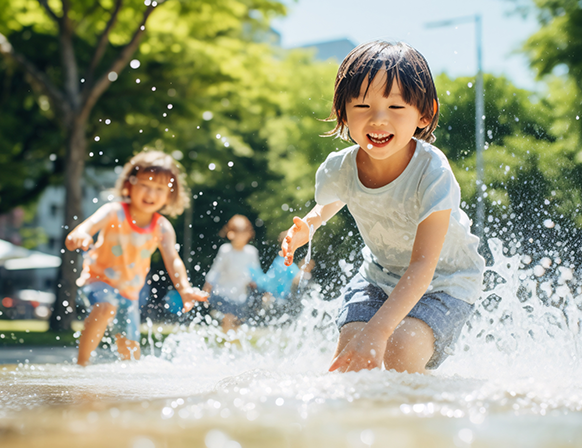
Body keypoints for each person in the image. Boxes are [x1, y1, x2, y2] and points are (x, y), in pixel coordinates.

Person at [282, 41, 485, 374]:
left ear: (425, 113)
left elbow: (423, 267)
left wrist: (380, 329)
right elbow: (334, 199)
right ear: (342, 111)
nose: (377, 120)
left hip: (444, 283)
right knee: (353, 352)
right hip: (378, 277)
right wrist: (311, 223)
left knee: (399, 351)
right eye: (362, 105)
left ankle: (423, 415)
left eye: (395, 107)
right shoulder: (340, 167)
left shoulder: (432, 173)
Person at [66, 151, 208, 366]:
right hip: (98, 279)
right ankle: (82, 366)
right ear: (129, 184)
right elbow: (85, 228)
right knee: (105, 308)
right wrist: (81, 234)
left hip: (130, 292)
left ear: (170, 194)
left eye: (159, 189)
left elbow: (173, 259)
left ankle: (127, 383)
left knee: (131, 351)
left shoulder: (162, 227)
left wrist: (184, 288)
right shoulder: (113, 212)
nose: (151, 193)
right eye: (145, 185)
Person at [204, 215, 262, 336]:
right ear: (230, 234)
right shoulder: (226, 250)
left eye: (244, 232)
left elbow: (255, 273)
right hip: (223, 293)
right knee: (228, 318)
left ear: (249, 234)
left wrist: (257, 283)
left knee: (237, 321)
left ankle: (230, 343)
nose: (241, 236)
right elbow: (216, 270)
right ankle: (227, 343)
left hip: (240, 295)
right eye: (238, 232)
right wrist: (207, 286)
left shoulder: (251, 252)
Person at [256, 232, 314, 316]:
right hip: (281, 302)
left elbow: (267, 279)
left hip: (273, 300)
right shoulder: (286, 263)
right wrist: (304, 269)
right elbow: (297, 279)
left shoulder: (278, 261)